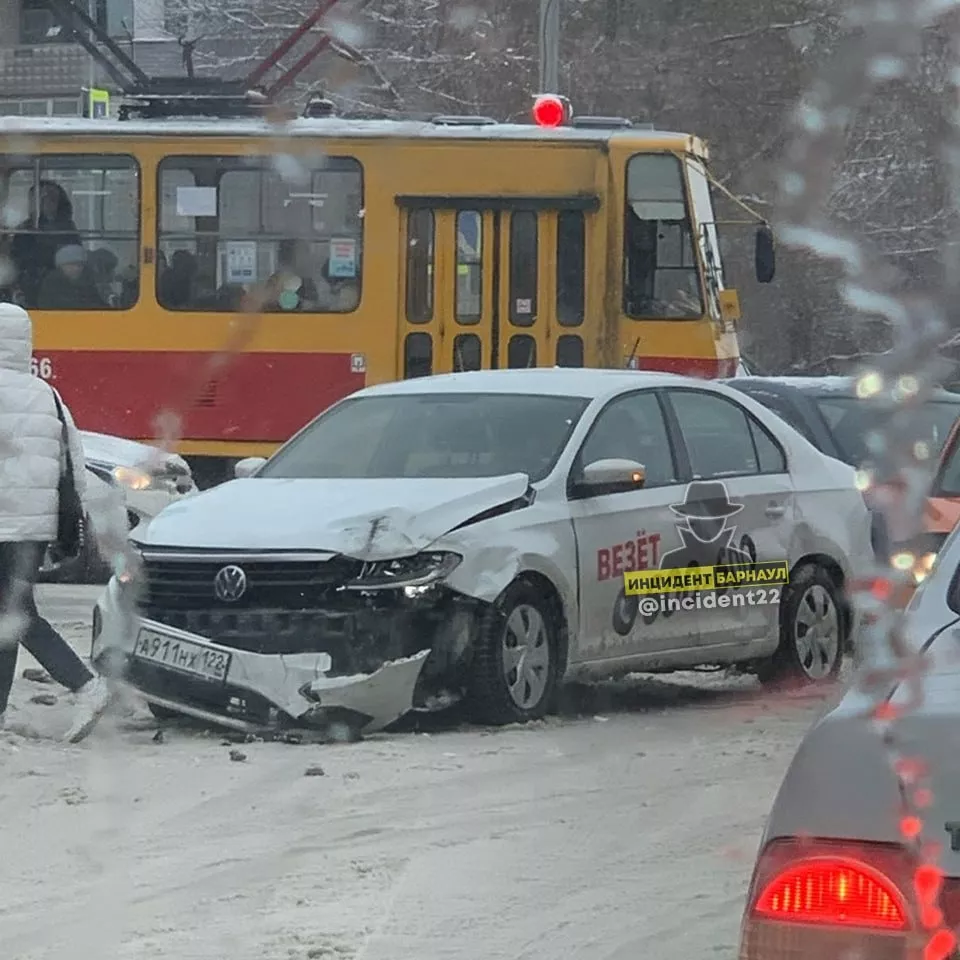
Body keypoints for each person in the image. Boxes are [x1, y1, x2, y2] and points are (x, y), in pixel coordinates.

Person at [0, 303, 111, 742]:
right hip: (32, 529)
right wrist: (71, 523)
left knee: (18, 615)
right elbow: (75, 465)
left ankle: (86, 684)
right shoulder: (46, 394)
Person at [10, 180, 82, 308]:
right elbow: (17, 259)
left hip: (63, 280)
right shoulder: (23, 230)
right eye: (41, 199)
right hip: (31, 281)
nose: (46, 203)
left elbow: (74, 255)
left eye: (51, 199)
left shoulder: (67, 227)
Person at [37, 245, 106, 310]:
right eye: (71, 264)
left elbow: (101, 307)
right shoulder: (50, 285)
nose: (76, 268)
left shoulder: (91, 284)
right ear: (61, 266)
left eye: (80, 265)